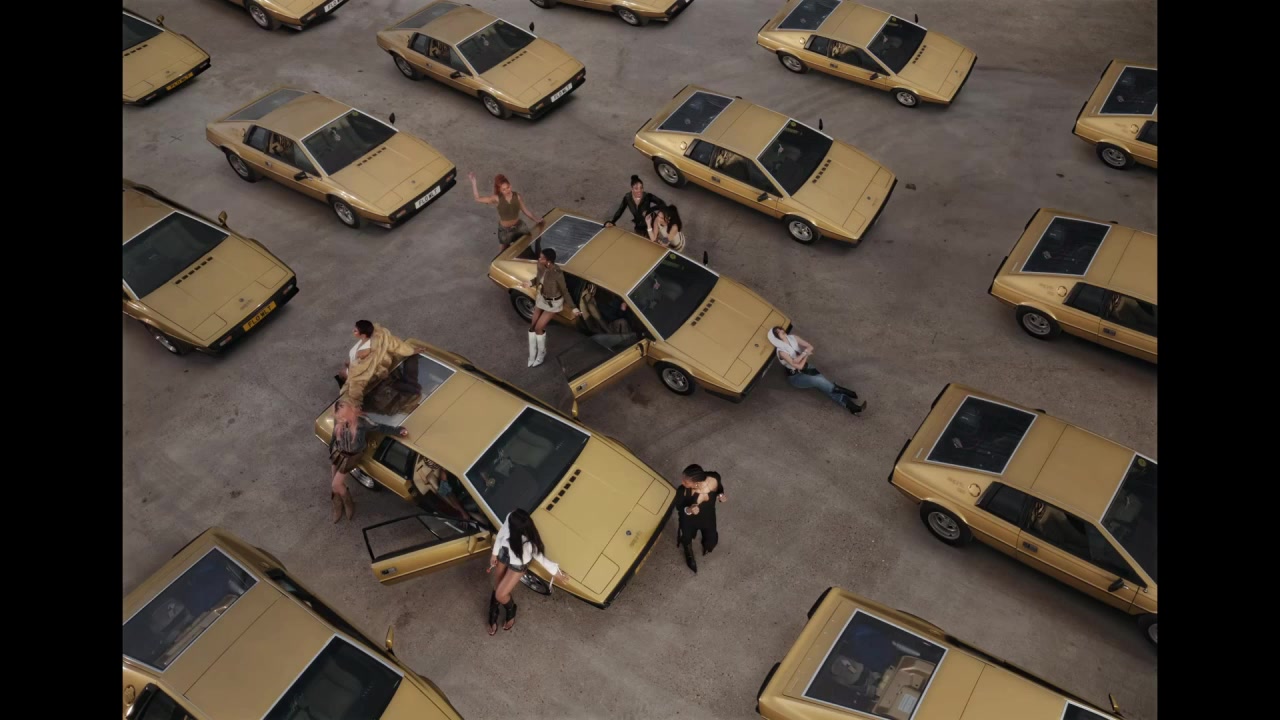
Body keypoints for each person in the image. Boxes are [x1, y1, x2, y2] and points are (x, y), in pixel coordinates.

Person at [486, 509, 569, 635]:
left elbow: (541, 558)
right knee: (497, 586)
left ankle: (511, 610)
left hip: (518, 564)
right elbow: (502, 533)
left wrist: (556, 572)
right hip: (503, 554)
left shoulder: (529, 543)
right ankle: (493, 610)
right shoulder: (512, 516)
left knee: (500, 595)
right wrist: (494, 554)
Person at [328, 400, 409, 523]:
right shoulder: (339, 420)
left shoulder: (361, 421)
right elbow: (334, 436)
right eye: (339, 417)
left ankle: (348, 503)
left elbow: (380, 427)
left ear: (349, 412)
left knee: (336, 484)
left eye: (343, 417)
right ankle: (338, 504)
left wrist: (398, 431)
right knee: (334, 481)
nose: (341, 420)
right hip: (338, 451)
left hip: (351, 456)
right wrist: (331, 448)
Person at [769, 327, 867, 415]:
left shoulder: (793, 338)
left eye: (780, 329)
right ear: (776, 338)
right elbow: (799, 366)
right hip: (796, 377)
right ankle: (838, 389)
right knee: (819, 381)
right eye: (778, 332)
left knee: (825, 386)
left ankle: (851, 407)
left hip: (807, 367)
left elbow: (810, 346)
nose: (781, 331)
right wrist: (805, 354)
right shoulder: (781, 352)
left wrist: (802, 356)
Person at [339, 323, 429, 411]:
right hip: (382, 384)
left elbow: (357, 385)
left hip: (380, 382)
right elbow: (397, 346)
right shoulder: (380, 337)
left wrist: (412, 351)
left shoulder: (364, 356)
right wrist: (411, 351)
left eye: (355, 330)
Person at [520, 248, 580, 367]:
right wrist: (530, 283)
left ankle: (541, 354)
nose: (539, 259)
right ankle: (532, 354)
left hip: (553, 303)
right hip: (541, 297)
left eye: (541, 258)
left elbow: (564, 291)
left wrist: (573, 307)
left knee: (538, 328)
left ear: (548, 261)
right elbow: (538, 278)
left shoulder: (557, 273)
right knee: (532, 327)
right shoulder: (540, 265)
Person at [674, 465, 727, 574]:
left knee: (711, 538)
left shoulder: (714, 478)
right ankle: (689, 553)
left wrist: (721, 495)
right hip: (688, 520)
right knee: (686, 537)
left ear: (696, 483)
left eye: (686, 482)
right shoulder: (682, 490)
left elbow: (719, 488)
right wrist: (689, 509)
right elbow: (679, 507)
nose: (682, 483)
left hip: (708, 516)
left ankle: (707, 546)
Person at [469, 172, 542, 249]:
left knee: (529, 243)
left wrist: (536, 220)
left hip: (519, 226)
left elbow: (525, 211)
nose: (507, 191)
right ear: (500, 190)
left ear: (510, 185)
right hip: (505, 231)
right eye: (503, 189)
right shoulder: (496, 198)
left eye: (508, 187)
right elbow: (477, 198)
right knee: (504, 252)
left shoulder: (517, 196)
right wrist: (474, 182)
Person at [335, 320, 375, 388]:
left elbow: (357, 369)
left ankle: (346, 386)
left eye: (355, 331)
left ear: (363, 335)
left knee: (341, 374)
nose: (353, 331)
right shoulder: (367, 340)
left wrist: (348, 366)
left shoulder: (361, 353)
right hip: (354, 365)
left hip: (356, 373)